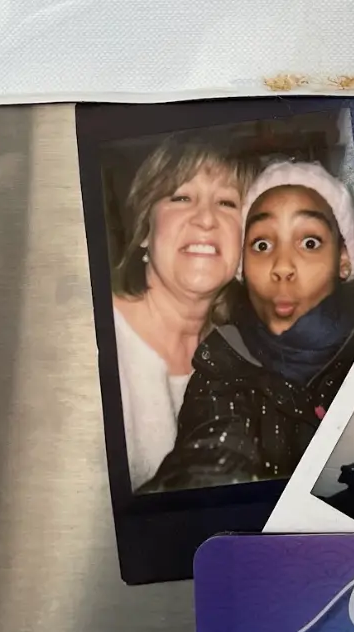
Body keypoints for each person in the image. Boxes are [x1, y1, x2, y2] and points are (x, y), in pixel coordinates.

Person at [141, 160, 354, 492]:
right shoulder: (222, 366)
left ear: (344, 259)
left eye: (309, 242)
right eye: (262, 245)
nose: (282, 266)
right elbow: (212, 451)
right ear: (243, 268)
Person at [109, 136, 254, 491]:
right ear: (145, 230)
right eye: (182, 197)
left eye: (227, 202)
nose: (205, 219)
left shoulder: (242, 358)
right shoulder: (95, 342)